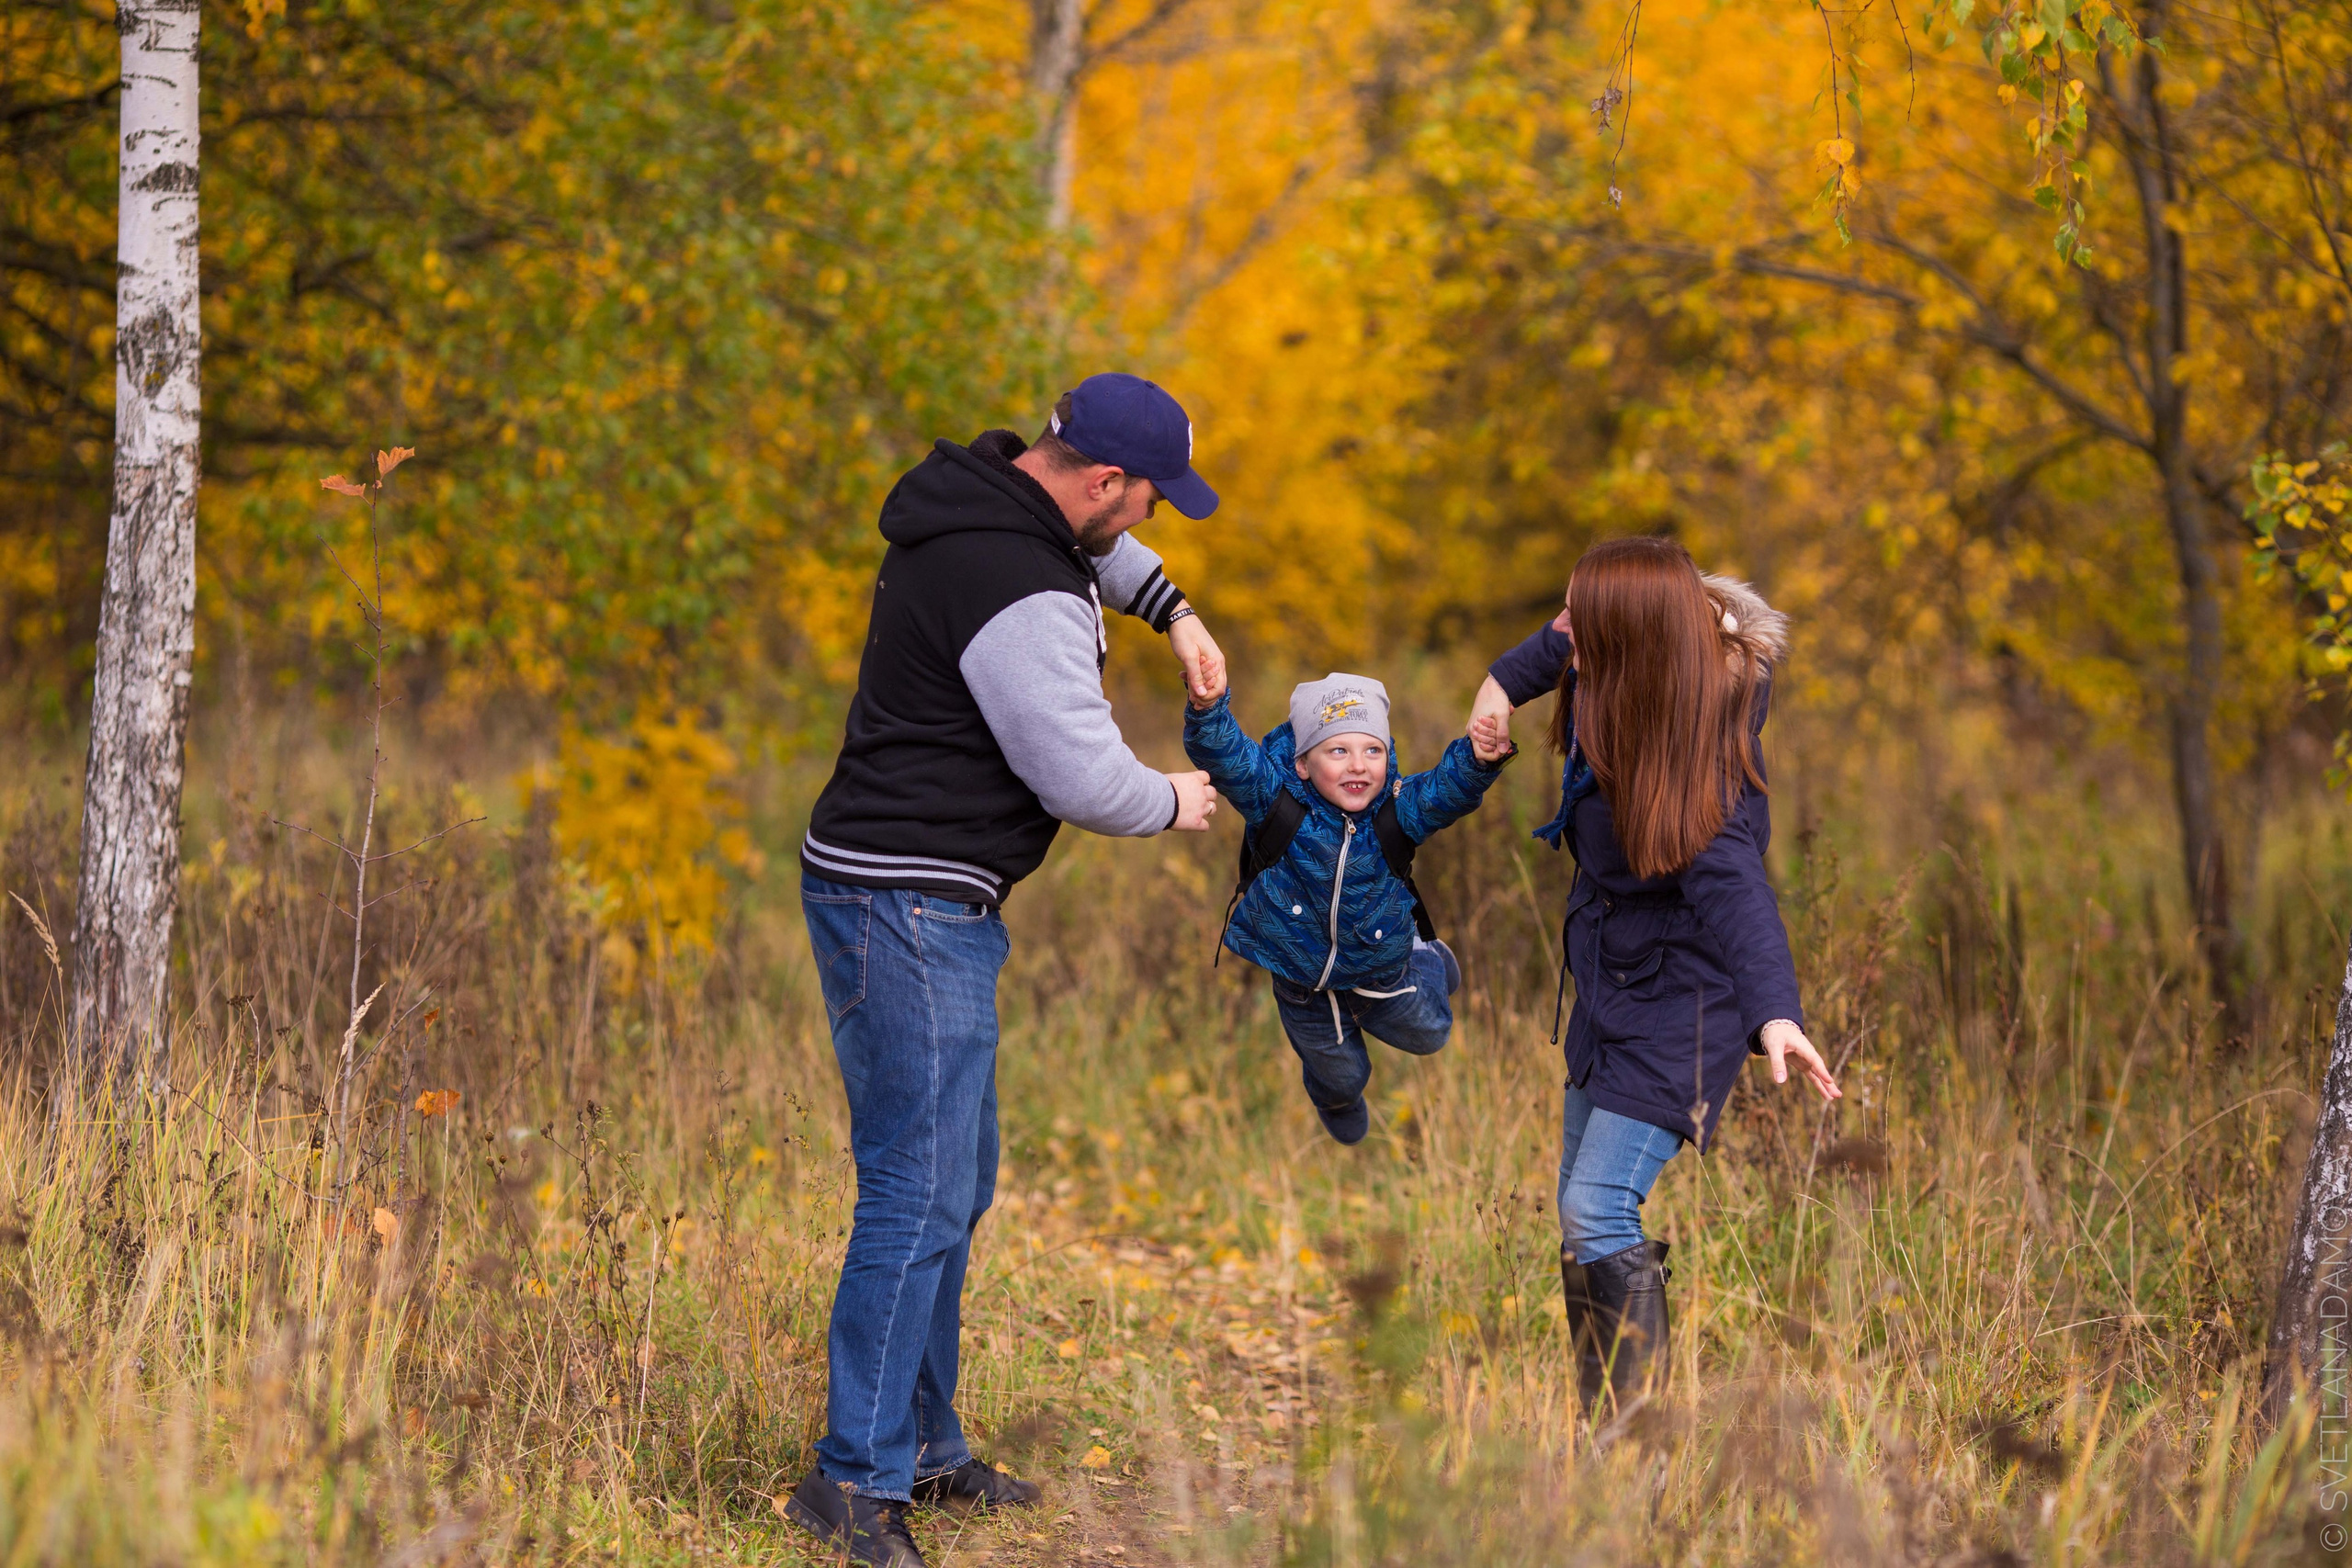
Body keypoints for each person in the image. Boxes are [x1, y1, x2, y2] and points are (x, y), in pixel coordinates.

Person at [786, 374, 1227, 1568]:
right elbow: (1079, 777)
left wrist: (1175, 611)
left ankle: (924, 1447)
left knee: (954, 1179)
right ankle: (854, 1483)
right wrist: (1173, 798)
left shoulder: (992, 498)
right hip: (907, 901)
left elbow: (1101, 560)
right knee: (915, 1190)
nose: (1142, 527)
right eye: (1142, 504)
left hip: (911, 890)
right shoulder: (1020, 583)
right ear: (1098, 481)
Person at [1468, 536, 1840, 1413]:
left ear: (1632, 635)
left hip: (1682, 1005)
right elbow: (1552, 644)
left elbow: (1739, 890)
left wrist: (1775, 1012)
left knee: (1598, 1210)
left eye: (1581, 623)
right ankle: (1604, 1442)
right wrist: (1499, 690)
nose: (1567, 636)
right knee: (1577, 1215)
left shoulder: (1698, 753)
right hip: (1611, 981)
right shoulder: (1630, 649)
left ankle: (1636, 1459)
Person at [1183, 672, 1515, 1144]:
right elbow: (1227, 756)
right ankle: (1335, 1099)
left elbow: (1447, 789)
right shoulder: (1275, 801)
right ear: (1302, 763)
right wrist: (1207, 708)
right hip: (1302, 985)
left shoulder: (1397, 812)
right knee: (1341, 1077)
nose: (1358, 766)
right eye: (1338, 751)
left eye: (1372, 750)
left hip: (1379, 972)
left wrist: (1478, 760)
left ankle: (1426, 958)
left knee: (1433, 1032)